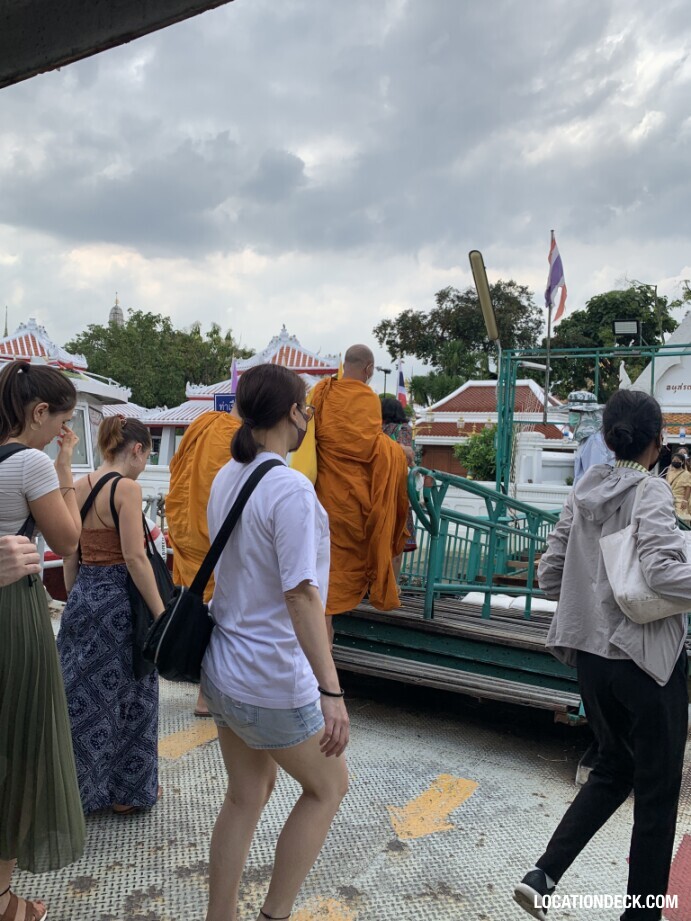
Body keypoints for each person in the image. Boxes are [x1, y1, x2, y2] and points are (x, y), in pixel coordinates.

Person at [514, 390, 691, 921]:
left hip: (591, 660)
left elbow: (549, 574)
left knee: (615, 767)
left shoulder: (583, 489)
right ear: (657, 443)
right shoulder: (652, 493)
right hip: (644, 663)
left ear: (609, 435)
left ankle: (543, 874)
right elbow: (660, 572)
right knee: (657, 797)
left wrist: (592, 593)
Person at [200, 363, 349, 921]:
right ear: (292, 413)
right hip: (270, 676)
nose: (308, 417)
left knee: (245, 794)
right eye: (306, 408)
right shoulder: (288, 488)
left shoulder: (227, 476)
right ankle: (275, 914)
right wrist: (330, 691)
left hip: (224, 667)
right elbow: (302, 595)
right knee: (329, 787)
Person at [0, 361, 85, 921]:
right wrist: (63, 466)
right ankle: (4, 900)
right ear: (39, 413)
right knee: (18, 747)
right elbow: (69, 537)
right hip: (13, 611)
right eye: (61, 422)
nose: (62, 432)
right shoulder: (30, 461)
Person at [57, 417, 165, 815]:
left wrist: (76, 598)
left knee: (84, 699)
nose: (144, 463)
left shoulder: (80, 485)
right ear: (136, 449)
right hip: (123, 605)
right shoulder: (127, 488)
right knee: (133, 695)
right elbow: (136, 558)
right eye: (147, 455)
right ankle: (127, 793)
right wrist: (161, 613)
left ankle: (77, 792)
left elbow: (71, 551)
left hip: (85, 595)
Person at [298, 345, 409, 634]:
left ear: (343, 364)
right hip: (351, 506)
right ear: (369, 369)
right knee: (334, 575)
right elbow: (373, 448)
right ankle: (323, 649)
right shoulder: (367, 400)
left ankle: (319, 642)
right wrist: (399, 454)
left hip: (321, 499)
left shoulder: (322, 392)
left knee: (319, 572)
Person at [166, 407, 242, 716]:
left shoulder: (202, 423)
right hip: (211, 533)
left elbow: (176, 466)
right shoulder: (238, 436)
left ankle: (196, 680)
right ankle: (205, 695)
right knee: (214, 612)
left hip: (186, 526)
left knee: (192, 604)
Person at [381, 397, 417, 580]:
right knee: (397, 542)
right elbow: (407, 456)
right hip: (398, 490)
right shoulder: (403, 430)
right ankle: (392, 586)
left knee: (381, 540)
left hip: (378, 490)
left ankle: (377, 585)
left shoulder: (376, 432)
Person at [566, 390, 615, 484]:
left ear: (585, 413)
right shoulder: (588, 438)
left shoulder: (594, 440)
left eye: (573, 411)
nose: (570, 414)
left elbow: (594, 478)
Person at [666, 450, 691, 524]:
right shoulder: (669, 473)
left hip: (680, 501)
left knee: (682, 521)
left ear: (682, 462)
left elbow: (688, 487)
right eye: (674, 460)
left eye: (677, 460)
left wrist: (685, 501)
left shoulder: (686, 474)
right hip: (669, 500)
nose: (675, 462)